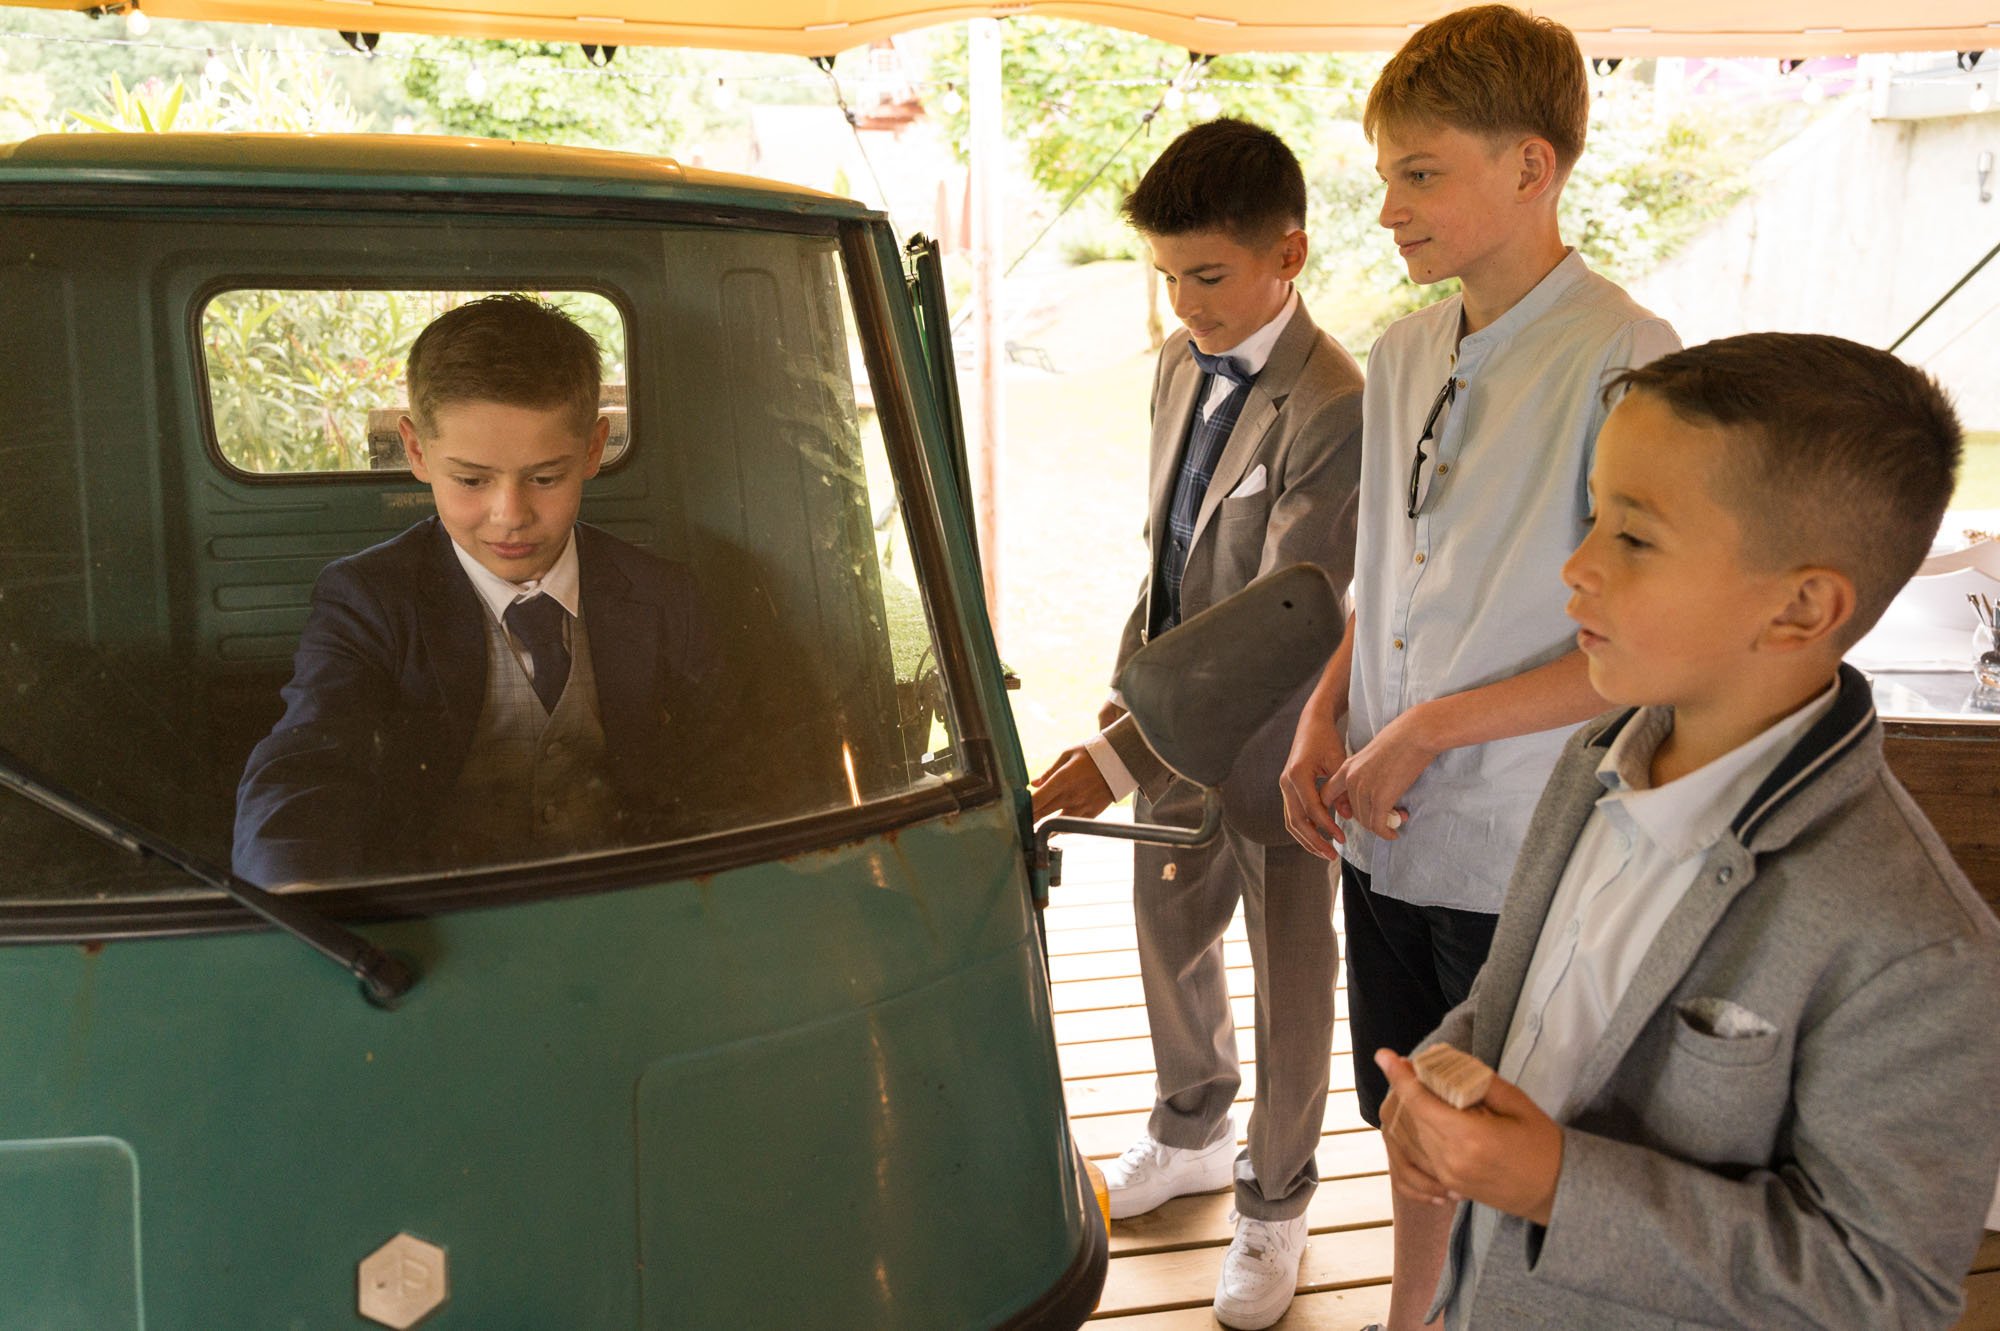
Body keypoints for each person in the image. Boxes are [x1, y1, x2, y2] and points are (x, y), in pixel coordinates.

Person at [1373, 332, 2000, 1329]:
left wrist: (1557, 1187)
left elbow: (1884, 1289)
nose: (1575, 567)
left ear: (1800, 606)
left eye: (1632, 537)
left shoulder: (1916, 943)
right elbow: (1520, 994)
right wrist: (1444, 1072)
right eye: (1591, 515)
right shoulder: (1595, 753)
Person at [1273, 8, 1682, 1326]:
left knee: (1510, 1129)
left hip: (1524, 843)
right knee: (1404, 1103)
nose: (1387, 208)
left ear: (1531, 166)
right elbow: (1385, 576)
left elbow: (1641, 652)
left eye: (1421, 171)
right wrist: (1323, 718)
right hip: (1385, 820)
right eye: (1384, 171)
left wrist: (1432, 726)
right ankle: (1411, 1311)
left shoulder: (1628, 359)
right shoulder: (1401, 352)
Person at [1031, 117, 1365, 1330]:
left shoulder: (1336, 404)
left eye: (1207, 275)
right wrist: (1133, 702)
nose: (1183, 304)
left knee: (1287, 968)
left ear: (1288, 252)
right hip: (1168, 705)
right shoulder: (1180, 361)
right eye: (1165, 276)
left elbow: (1294, 615)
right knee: (1164, 915)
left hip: (1279, 742)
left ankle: (1275, 1202)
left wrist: (1117, 751)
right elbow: (1172, 551)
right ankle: (1186, 1123)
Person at [234, 294, 721, 886]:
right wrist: (296, 887)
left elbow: (731, 762)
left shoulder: (664, 595)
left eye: (545, 478)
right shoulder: (369, 599)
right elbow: (308, 758)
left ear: (594, 449)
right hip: (442, 925)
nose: (509, 515)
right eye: (470, 479)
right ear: (416, 450)